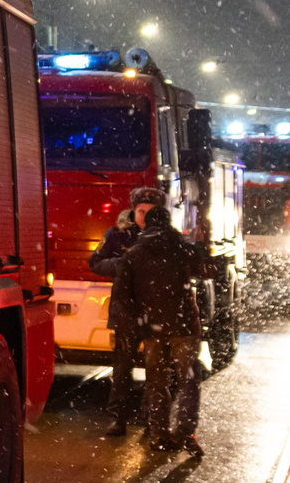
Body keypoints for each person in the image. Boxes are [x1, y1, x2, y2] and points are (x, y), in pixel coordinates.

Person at [121, 199, 206, 457]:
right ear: (169, 222)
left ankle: (158, 434)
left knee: (156, 382)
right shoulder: (182, 247)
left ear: (146, 224)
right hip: (183, 325)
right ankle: (186, 432)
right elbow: (208, 268)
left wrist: (135, 325)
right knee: (189, 380)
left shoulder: (135, 252)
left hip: (152, 328)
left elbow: (125, 293)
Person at [87, 192, 156, 436]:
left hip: (154, 313)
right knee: (122, 367)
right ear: (133, 211)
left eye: (150, 211)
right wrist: (122, 265)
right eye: (141, 211)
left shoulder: (162, 236)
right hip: (126, 311)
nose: (144, 217)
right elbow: (94, 262)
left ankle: (151, 420)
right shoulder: (117, 234)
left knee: (155, 369)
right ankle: (118, 418)